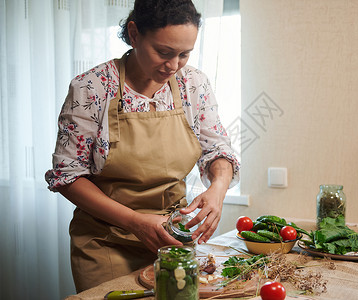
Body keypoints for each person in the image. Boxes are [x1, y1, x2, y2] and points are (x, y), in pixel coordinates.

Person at [45, 0, 239, 292]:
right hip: (106, 243)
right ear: (134, 34)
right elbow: (68, 177)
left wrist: (218, 190)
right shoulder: (91, 88)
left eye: (184, 54)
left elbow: (217, 152)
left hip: (173, 239)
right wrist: (135, 222)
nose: (174, 65)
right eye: (163, 52)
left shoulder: (193, 84)